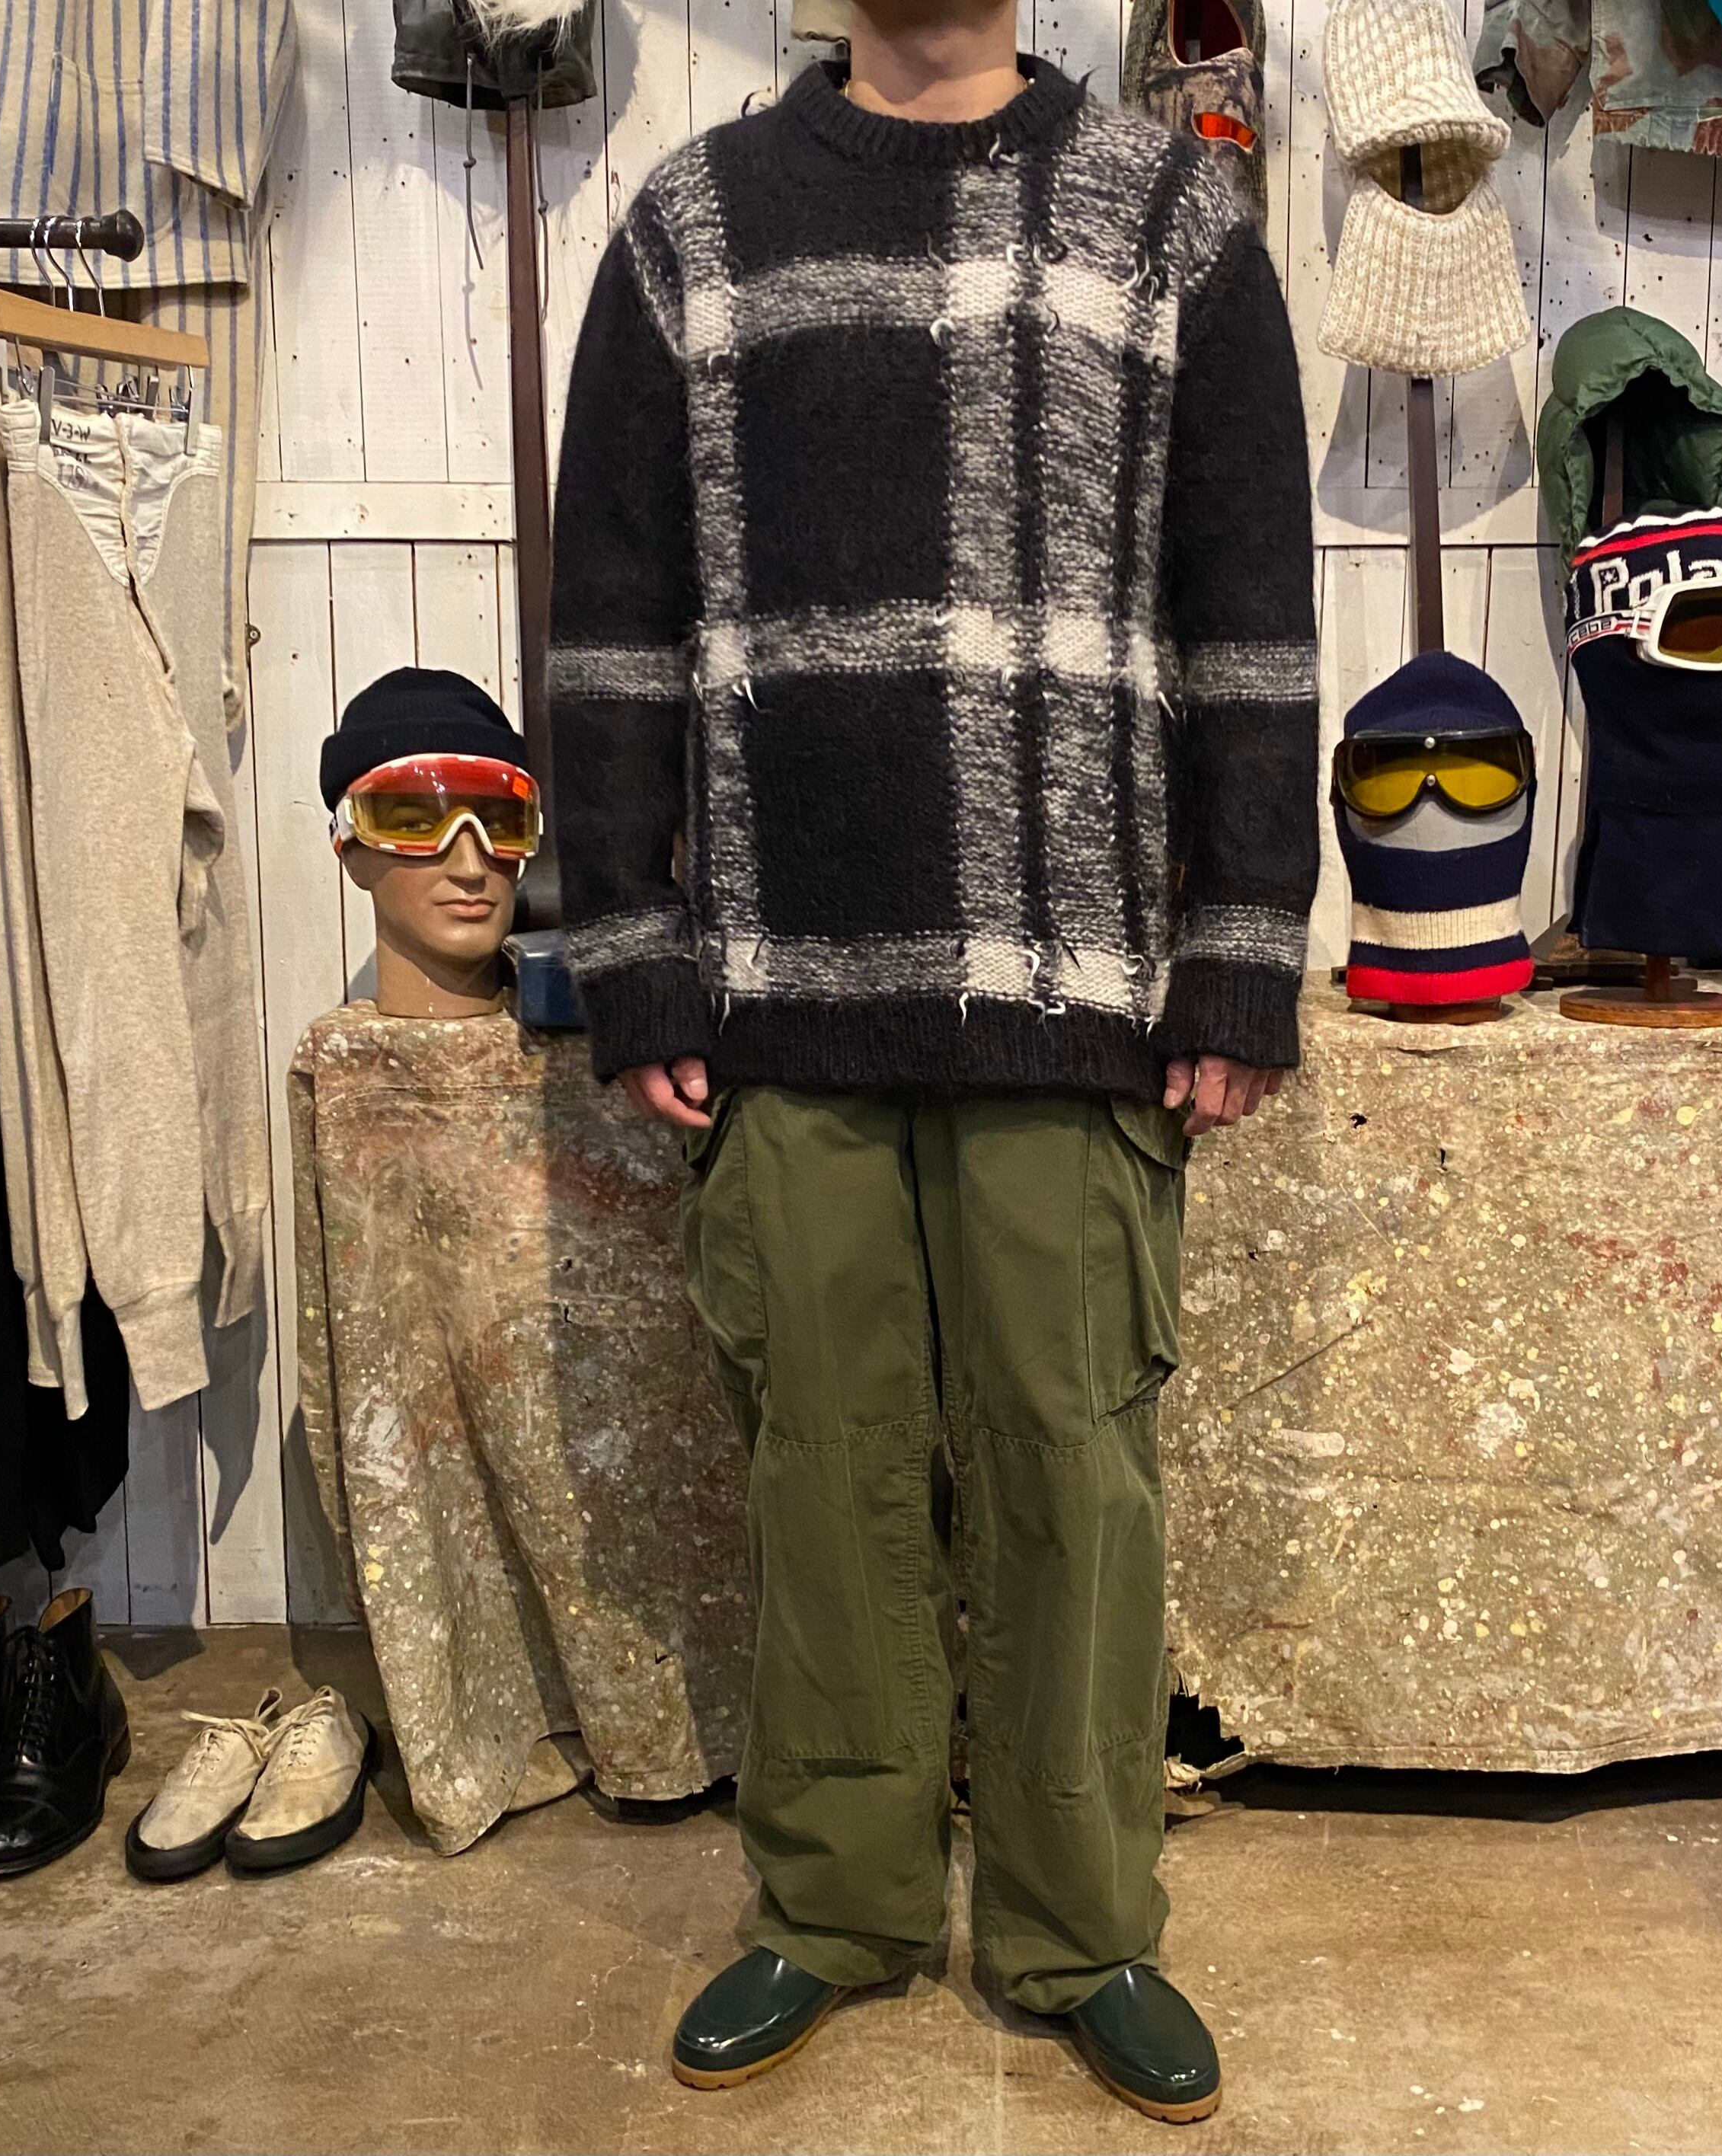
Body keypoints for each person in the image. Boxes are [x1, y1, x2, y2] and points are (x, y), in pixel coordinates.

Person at [548, 0, 1318, 2122]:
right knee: (824, 1464)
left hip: (1073, 988)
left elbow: (1248, 606)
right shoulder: (695, 224)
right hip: (783, 987)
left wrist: (1243, 951)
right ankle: (837, 1905)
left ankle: (1080, 1926)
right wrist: (634, 954)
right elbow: (612, 615)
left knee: (1075, 1463)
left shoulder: (1169, 214)